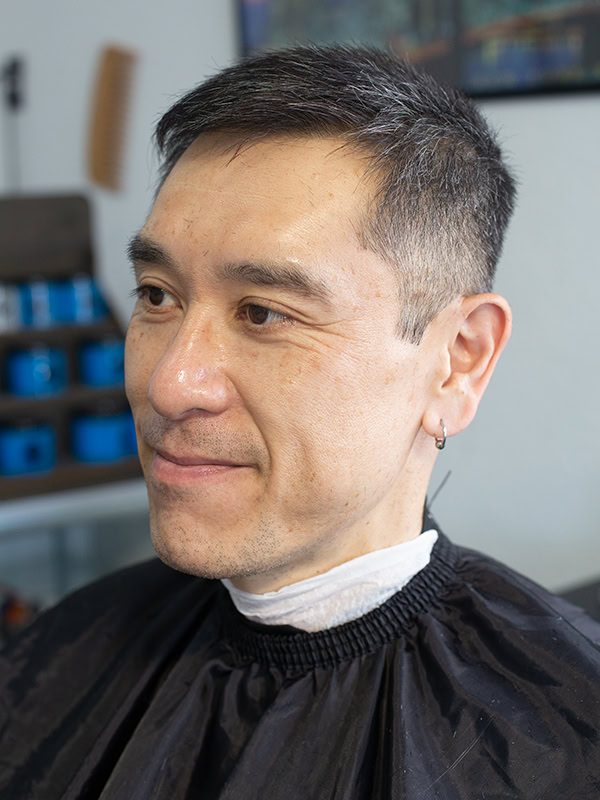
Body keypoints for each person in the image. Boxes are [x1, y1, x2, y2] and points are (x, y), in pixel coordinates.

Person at [1, 44, 599, 800]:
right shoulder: (52, 661)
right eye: (157, 295)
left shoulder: (567, 741)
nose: (167, 381)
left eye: (263, 312)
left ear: (457, 362)